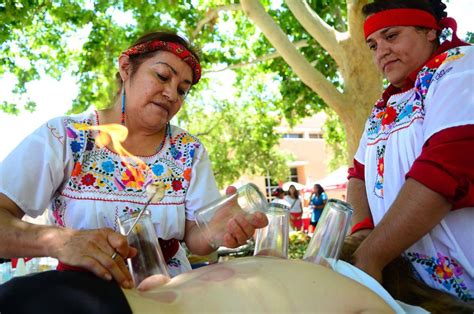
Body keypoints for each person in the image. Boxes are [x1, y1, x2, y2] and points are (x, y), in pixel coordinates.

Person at [0, 30, 267, 290]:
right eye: (163, 76)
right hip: (80, 298)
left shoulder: (188, 151)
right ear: (126, 68)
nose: (172, 94)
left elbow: (195, 238)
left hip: (170, 297)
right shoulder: (65, 137)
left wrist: (215, 232)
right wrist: (58, 241)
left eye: (183, 90)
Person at [346, 0, 473, 303]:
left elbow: (445, 170)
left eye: (391, 36)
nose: (381, 52)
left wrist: (370, 256)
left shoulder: (460, 67)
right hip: (416, 291)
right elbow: (359, 175)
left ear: (430, 31)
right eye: (372, 45)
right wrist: (363, 231)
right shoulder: (383, 106)